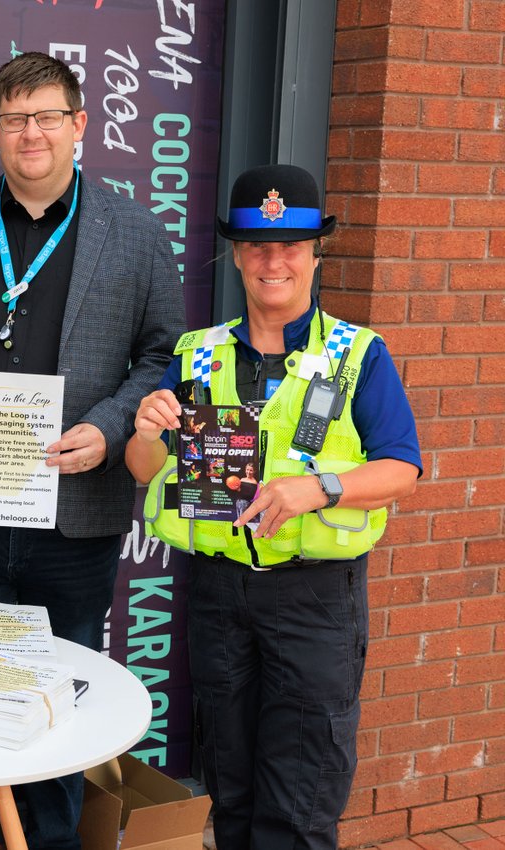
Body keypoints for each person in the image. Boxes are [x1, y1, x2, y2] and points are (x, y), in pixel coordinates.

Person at [0, 52, 183, 850]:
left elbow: (164, 357)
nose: (31, 133)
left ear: (80, 125)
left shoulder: (136, 231)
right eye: (14, 119)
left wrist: (114, 426)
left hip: (72, 524)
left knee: (54, 717)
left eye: (48, 116)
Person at [125, 164, 421, 850]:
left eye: (291, 244)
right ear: (235, 254)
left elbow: (401, 467)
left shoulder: (357, 355)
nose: (273, 260)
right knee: (228, 781)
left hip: (315, 601)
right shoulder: (196, 355)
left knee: (302, 790)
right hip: (219, 593)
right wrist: (144, 429)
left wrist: (316, 488)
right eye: (258, 245)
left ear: (316, 252)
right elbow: (146, 472)